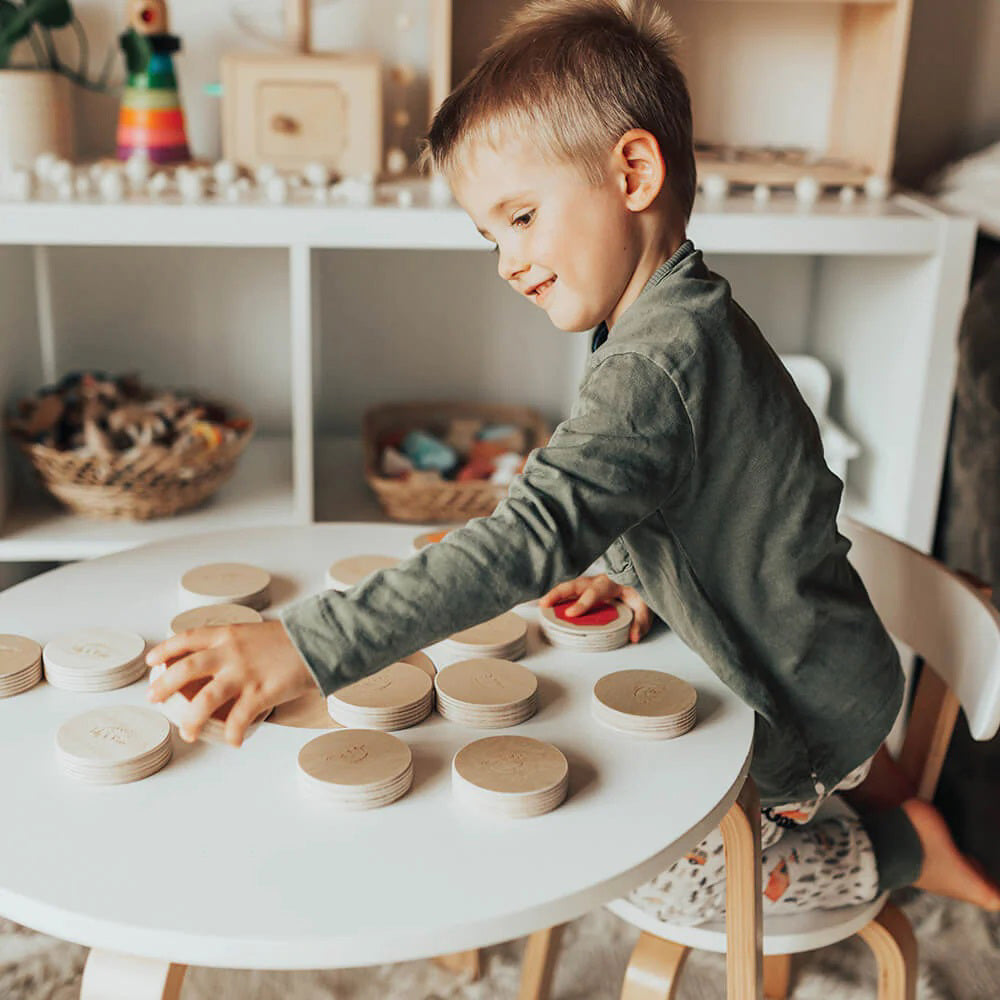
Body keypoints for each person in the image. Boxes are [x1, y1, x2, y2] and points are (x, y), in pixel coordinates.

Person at [147, 0, 1000, 918]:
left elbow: (527, 539)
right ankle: (877, 779)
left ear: (632, 170)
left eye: (520, 216)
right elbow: (718, 499)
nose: (508, 261)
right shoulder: (681, 316)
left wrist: (305, 645)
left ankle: (908, 846)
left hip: (799, 698)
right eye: (492, 235)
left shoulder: (655, 361)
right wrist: (639, 575)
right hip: (829, 651)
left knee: (653, 870)